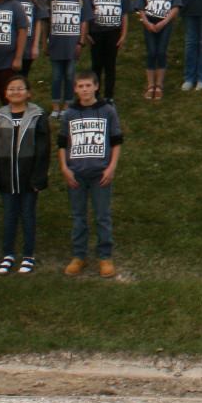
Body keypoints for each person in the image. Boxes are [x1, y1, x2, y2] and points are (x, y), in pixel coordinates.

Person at [57, 69, 124, 278]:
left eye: (88, 85)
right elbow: (61, 143)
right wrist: (64, 168)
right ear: (75, 89)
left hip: (100, 174)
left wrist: (111, 167)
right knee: (78, 217)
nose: (85, 90)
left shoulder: (107, 110)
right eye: (80, 86)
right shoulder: (69, 114)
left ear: (96, 86)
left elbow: (116, 141)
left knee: (102, 216)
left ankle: (105, 256)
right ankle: (79, 255)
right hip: (76, 174)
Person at [0, 74, 49, 276]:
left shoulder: (37, 115)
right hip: (6, 177)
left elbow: (43, 150)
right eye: (11, 89)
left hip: (28, 177)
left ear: (28, 93)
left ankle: (28, 255)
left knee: (28, 215)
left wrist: (38, 177)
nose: (15, 92)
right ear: (5, 93)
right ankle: (8, 254)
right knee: (9, 216)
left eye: (20, 88)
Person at [136, 0, 178, 101]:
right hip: (149, 22)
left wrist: (164, 22)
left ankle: (159, 85)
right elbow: (140, 6)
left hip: (165, 23)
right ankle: (150, 85)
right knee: (151, 52)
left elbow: (175, 7)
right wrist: (146, 22)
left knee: (161, 52)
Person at [45, 0, 89, 106]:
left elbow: (84, 20)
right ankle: (56, 106)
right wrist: (44, 42)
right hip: (56, 43)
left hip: (72, 44)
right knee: (57, 76)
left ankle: (68, 104)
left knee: (70, 76)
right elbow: (46, 21)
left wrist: (81, 42)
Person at [6, 0, 43, 84]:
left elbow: (38, 22)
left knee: (23, 76)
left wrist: (35, 45)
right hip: (10, 42)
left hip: (28, 43)